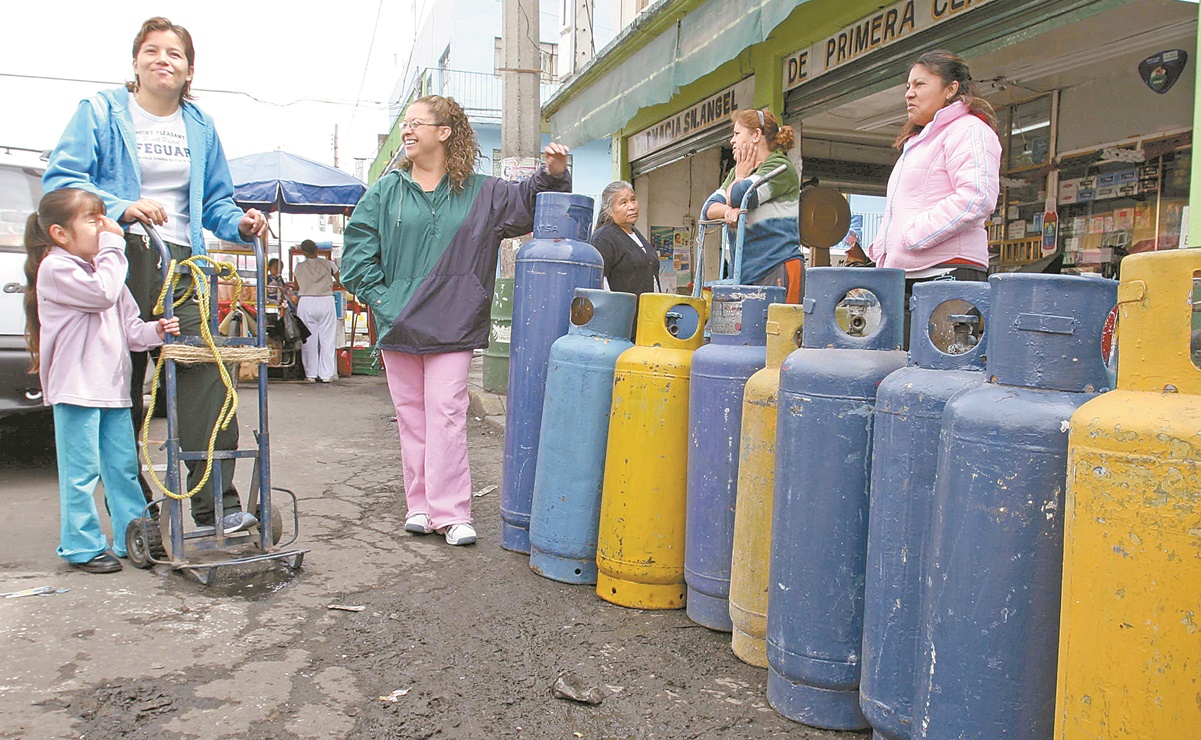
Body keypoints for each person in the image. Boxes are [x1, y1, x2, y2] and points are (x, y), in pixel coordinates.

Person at [42, 17, 269, 533]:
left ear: (190, 70)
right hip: (118, 254)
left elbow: (215, 201)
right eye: (152, 50)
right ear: (136, 62)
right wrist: (122, 207)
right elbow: (62, 182)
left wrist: (239, 220)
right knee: (120, 379)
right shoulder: (99, 111)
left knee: (203, 371)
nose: (163, 59)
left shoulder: (201, 125)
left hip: (184, 261)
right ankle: (136, 509)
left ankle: (218, 505)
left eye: (175, 53)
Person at [341, 95, 572, 547]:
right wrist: (386, 301)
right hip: (399, 323)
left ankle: (451, 512)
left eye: (416, 124)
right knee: (411, 418)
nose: (407, 131)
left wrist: (554, 173)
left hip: (453, 322)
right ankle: (420, 506)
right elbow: (355, 258)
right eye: (404, 125)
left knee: (446, 413)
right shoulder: (385, 192)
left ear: (444, 132)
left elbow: (528, 201)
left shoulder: (483, 191)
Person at [24, 188, 180, 573]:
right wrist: (116, 245)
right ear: (61, 234)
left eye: (103, 219)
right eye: (93, 221)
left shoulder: (104, 270)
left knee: (121, 467)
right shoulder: (57, 268)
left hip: (111, 389)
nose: (103, 227)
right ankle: (80, 545)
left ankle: (133, 535)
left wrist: (156, 330)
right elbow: (102, 295)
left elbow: (130, 330)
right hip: (77, 389)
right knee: (81, 473)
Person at [866, 49, 1001, 338]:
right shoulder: (919, 141)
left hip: (947, 276)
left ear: (951, 89)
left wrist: (912, 236)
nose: (909, 94)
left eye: (920, 84)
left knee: (936, 378)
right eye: (907, 86)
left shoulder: (969, 130)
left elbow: (977, 197)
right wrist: (882, 249)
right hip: (908, 278)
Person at [702, 109, 803, 303]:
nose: (732, 140)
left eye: (737, 134)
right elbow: (708, 209)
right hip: (746, 273)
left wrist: (740, 177)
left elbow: (740, 196)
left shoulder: (780, 167)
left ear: (756, 135)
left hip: (777, 265)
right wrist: (728, 211)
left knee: (779, 331)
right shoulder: (738, 171)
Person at [590, 181, 659, 295]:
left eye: (633, 200)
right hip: (623, 311)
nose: (632, 207)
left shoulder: (636, 234)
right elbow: (600, 282)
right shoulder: (603, 237)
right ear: (609, 210)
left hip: (648, 310)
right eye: (623, 203)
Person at [291, 239, 341, 383]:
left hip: (306, 301)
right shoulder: (329, 264)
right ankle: (326, 374)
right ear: (317, 250)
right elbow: (340, 280)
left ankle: (311, 374)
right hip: (326, 300)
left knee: (309, 339)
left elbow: (296, 285)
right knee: (327, 339)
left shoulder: (299, 267)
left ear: (303, 252)